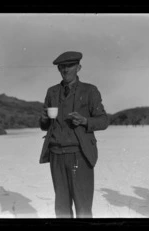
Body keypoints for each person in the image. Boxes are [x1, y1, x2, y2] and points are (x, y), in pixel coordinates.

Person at [39, 51, 109, 218]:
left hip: (80, 154)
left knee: (83, 207)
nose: (65, 70)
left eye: (69, 66)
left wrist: (85, 121)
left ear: (78, 67)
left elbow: (104, 120)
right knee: (61, 208)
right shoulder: (52, 92)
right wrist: (44, 119)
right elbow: (44, 126)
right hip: (56, 155)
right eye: (61, 67)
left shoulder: (90, 91)